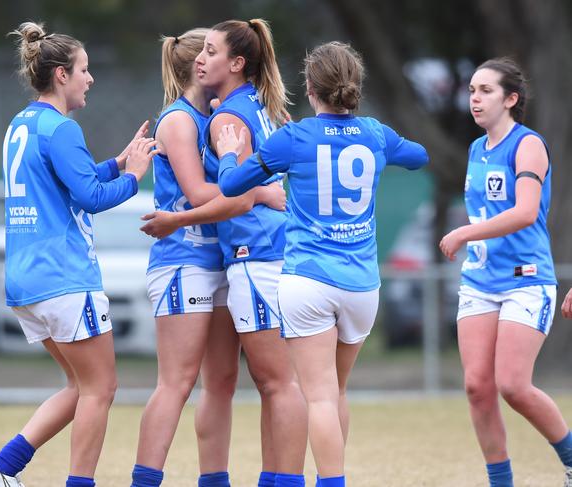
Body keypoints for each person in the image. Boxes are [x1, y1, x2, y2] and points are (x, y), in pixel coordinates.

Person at [213, 41, 428, 486]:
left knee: (320, 399)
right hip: (362, 285)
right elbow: (420, 156)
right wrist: (380, 146)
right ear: (355, 86)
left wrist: (232, 150)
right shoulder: (374, 133)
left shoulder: (294, 137)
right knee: (338, 392)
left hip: (308, 281)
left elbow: (232, 185)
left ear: (310, 87)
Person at [0, 21, 158, 487]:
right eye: (83, 70)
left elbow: (67, 181)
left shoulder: (22, 125)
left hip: (26, 280)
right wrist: (134, 176)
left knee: (80, 387)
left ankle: (1, 469)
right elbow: (91, 197)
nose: (89, 79)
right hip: (64, 277)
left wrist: (116, 162)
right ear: (60, 75)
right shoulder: (63, 128)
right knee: (102, 387)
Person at [141, 18, 307, 487]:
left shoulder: (231, 112)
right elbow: (199, 195)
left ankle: (220, 480)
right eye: (204, 52)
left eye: (213, 52)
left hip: (230, 258)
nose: (205, 60)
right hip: (186, 260)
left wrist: (258, 191)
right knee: (178, 383)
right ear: (196, 67)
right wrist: (258, 194)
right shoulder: (181, 119)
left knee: (226, 383)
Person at [439, 57, 572, 487]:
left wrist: (465, 233)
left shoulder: (527, 144)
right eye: (472, 90)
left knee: (513, 385)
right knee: (478, 387)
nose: (475, 98)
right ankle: (501, 482)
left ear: (511, 99)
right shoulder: (477, 149)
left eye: (486, 91)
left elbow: (525, 211)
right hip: (480, 282)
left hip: (526, 279)